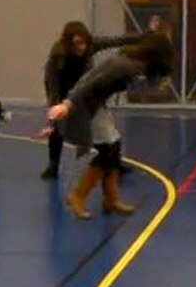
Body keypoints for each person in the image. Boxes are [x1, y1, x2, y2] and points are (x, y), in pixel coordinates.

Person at [46, 32, 174, 220]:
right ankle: (78, 195)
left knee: (114, 149)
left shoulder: (130, 61)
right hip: (86, 105)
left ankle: (111, 198)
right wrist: (68, 104)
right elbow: (90, 84)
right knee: (107, 151)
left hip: (96, 103)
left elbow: (91, 79)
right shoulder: (127, 66)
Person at [41, 21, 130, 180]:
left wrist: (144, 36)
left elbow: (115, 40)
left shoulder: (90, 45)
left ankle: (114, 161)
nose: (81, 47)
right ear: (69, 42)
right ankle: (53, 165)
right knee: (58, 129)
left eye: (84, 43)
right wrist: (55, 109)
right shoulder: (58, 56)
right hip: (63, 90)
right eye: (77, 43)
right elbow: (53, 86)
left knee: (102, 128)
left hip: (86, 90)